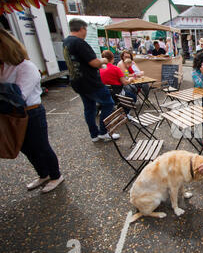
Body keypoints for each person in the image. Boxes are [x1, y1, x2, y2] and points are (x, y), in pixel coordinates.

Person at [0, 28, 64, 193]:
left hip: (31, 112)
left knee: (41, 146)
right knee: (25, 148)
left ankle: (56, 175)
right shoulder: (5, 67)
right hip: (11, 115)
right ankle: (43, 174)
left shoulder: (25, 67)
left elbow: (18, 97)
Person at [63, 18, 119, 142]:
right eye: (86, 30)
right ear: (82, 28)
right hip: (91, 82)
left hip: (77, 81)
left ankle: (94, 134)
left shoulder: (66, 42)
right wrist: (103, 60)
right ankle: (104, 132)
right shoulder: (79, 43)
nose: (86, 32)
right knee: (108, 103)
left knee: (89, 108)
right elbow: (94, 63)